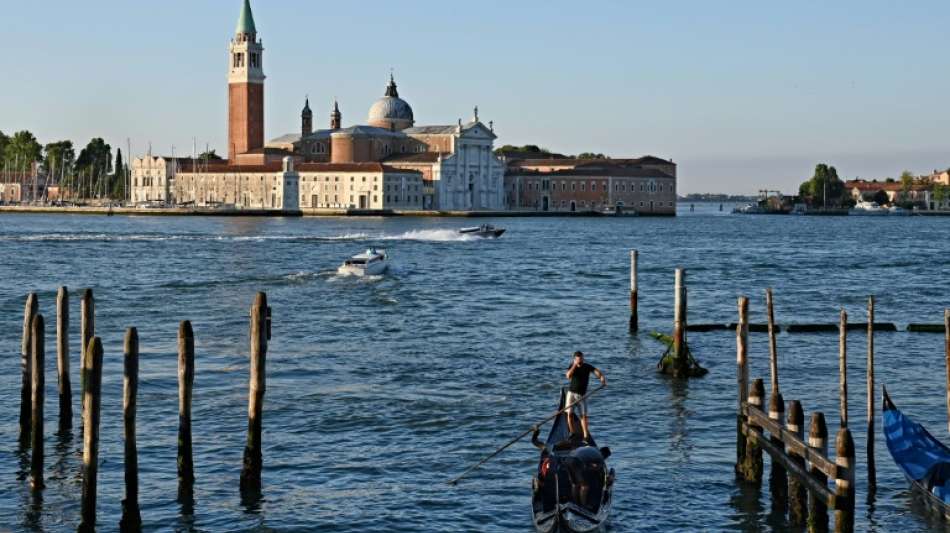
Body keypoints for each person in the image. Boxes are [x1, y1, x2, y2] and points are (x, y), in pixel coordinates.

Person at [564, 351, 606, 442]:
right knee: (570, 414)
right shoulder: (572, 366)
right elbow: (568, 376)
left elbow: (596, 372)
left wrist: (601, 377)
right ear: (575, 359)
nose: (581, 361)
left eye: (582, 359)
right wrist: (574, 366)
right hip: (571, 393)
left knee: (583, 416)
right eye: (578, 360)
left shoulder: (587, 366)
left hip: (582, 395)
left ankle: (586, 435)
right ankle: (572, 432)